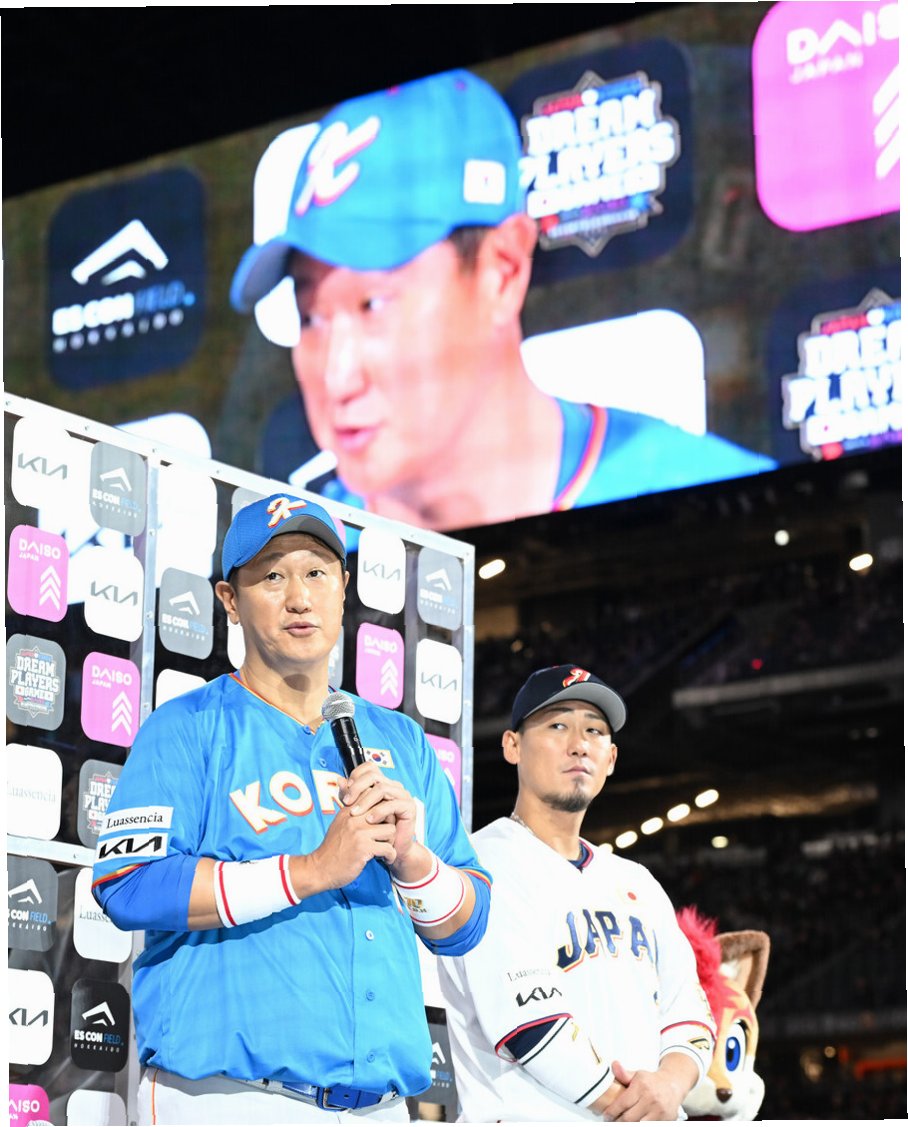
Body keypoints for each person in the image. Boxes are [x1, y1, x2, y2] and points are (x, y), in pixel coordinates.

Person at [230, 68, 776, 532]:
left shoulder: (711, 505)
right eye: (312, 318)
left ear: (503, 271)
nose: (337, 377)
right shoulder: (299, 572)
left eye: (373, 305)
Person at [91, 492, 492, 1124]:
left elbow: (466, 925)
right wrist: (311, 871)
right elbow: (129, 884)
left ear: (343, 589)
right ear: (230, 600)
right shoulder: (186, 726)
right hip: (232, 1100)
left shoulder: (402, 741)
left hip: (382, 1107)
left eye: (316, 573)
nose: (300, 597)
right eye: (273, 576)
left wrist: (413, 861)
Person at [436, 664, 716, 1122]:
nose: (579, 744)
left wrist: (669, 1086)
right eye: (557, 725)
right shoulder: (482, 865)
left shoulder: (638, 882)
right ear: (512, 746)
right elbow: (530, 1028)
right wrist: (639, 1108)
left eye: (594, 731)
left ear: (611, 758)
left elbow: (691, 1014)